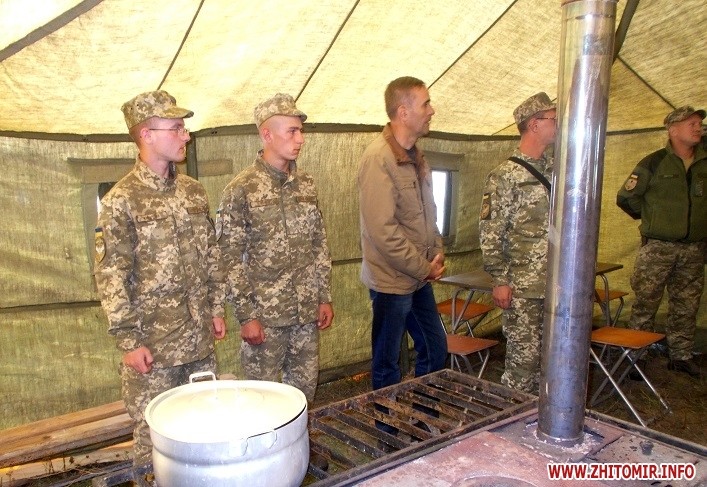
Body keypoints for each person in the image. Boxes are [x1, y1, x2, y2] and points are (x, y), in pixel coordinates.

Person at [94, 90, 226, 465]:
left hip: (198, 341)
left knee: (203, 428)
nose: (186, 135)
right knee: (153, 439)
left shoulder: (193, 192)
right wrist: (129, 341)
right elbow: (111, 275)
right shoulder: (122, 200)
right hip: (154, 348)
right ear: (146, 135)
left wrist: (216, 307)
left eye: (184, 128)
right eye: (176, 128)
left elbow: (211, 254)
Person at [217, 93, 333, 404]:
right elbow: (229, 258)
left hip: (305, 314)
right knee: (263, 401)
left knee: (304, 396)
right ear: (267, 135)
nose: (300, 139)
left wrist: (324, 296)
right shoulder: (241, 189)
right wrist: (246, 316)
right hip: (265, 319)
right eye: (292, 131)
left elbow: (318, 243)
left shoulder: (306, 184)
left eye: (301, 131)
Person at [358, 76, 448, 407]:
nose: (431, 111)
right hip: (391, 282)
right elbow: (383, 230)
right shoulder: (378, 158)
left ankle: (422, 416)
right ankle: (387, 428)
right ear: (403, 112)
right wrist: (424, 267)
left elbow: (428, 213)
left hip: (418, 276)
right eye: (426, 104)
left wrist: (436, 252)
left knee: (435, 349)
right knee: (387, 364)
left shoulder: (415, 155)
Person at [617, 106, 706, 378]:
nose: (698, 128)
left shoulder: (704, 162)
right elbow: (626, 197)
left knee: (687, 304)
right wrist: (655, 220)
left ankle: (681, 355)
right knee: (646, 303)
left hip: (694, 248)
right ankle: (637, 356)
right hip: (658, 248)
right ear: (673, 129)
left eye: (699, 123)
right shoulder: (654, 162)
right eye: (691, 123)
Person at [479, 92, 557, 394]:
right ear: (534, 124)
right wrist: (500, 280)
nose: (559, 125)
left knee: (551, 360)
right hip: (523, 286)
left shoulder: (558, 170)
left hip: (555, 283)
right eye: (553, 119)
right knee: (523, 363)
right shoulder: (505, 176)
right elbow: (491, 232)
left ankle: (542, 415)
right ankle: (513, 411)